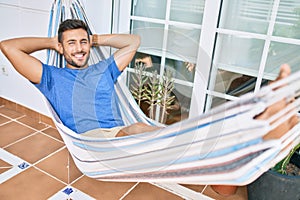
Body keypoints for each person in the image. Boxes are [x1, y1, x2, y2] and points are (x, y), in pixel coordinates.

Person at [0, 19, 298, 196]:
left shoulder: (103, 69)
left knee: (149, 132)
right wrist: (52, 41)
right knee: (145, 133)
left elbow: (133, 41)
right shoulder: (51, 77)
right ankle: (243, 136)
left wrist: (96, 39)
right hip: (91, 145)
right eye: (71, 44)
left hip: (121, 133)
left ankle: (244, 136)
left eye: (83, 42)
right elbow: (8, 46)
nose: (79, 48)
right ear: (61, 48)